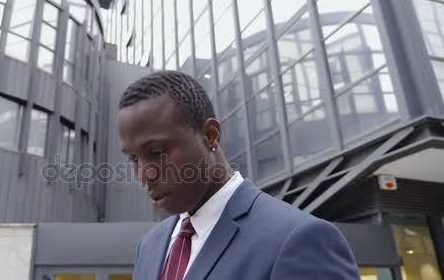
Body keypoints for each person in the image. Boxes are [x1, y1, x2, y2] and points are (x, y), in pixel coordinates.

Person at [117, 70, 360, 280]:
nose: (144, 174)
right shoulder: (149, 246)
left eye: (157, 151)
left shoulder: (300, 239)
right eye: (133, 158)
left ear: (210, 135)